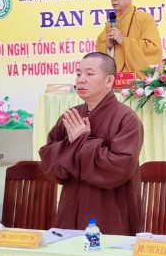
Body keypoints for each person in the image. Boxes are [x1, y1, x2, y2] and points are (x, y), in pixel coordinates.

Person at [39, 52, 143, 234]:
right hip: (70, 207)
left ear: (109, 81)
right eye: (78, 74)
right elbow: (48, 159)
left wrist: (81, 141)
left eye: (89, 74)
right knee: (68, 250)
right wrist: (73, 144)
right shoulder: (71, 116)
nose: (81, 80)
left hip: (109, 209)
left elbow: (120, 167)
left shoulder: (126, 119)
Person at [95, 0, 163, 74]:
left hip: (137, 78)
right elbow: (99, 49)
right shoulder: (111, 23)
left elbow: (154, 49)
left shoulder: (144, 18)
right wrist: (108, 46)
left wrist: (124, 41)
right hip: (116, 77)